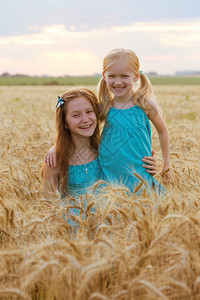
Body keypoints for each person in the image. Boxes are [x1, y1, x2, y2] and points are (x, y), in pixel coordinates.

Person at [97, 48, 171, 194]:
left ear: (136, 76)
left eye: (124, 76)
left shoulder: (145, 105)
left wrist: (166, 164)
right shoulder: (103, 106)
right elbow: (78, 129)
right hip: (108, 175)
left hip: (139, 174)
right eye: (112, 76)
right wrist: (57, 147)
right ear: (104, 76)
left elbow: (163, 131)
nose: (118, 82)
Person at [42, 88, 102, 228]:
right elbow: (47, 203)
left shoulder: (106, 150)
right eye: (76, 115)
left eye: (89, 111)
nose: (85, 119)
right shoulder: (55, 160)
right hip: (71, 229)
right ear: (64, 123)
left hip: (105, 226)